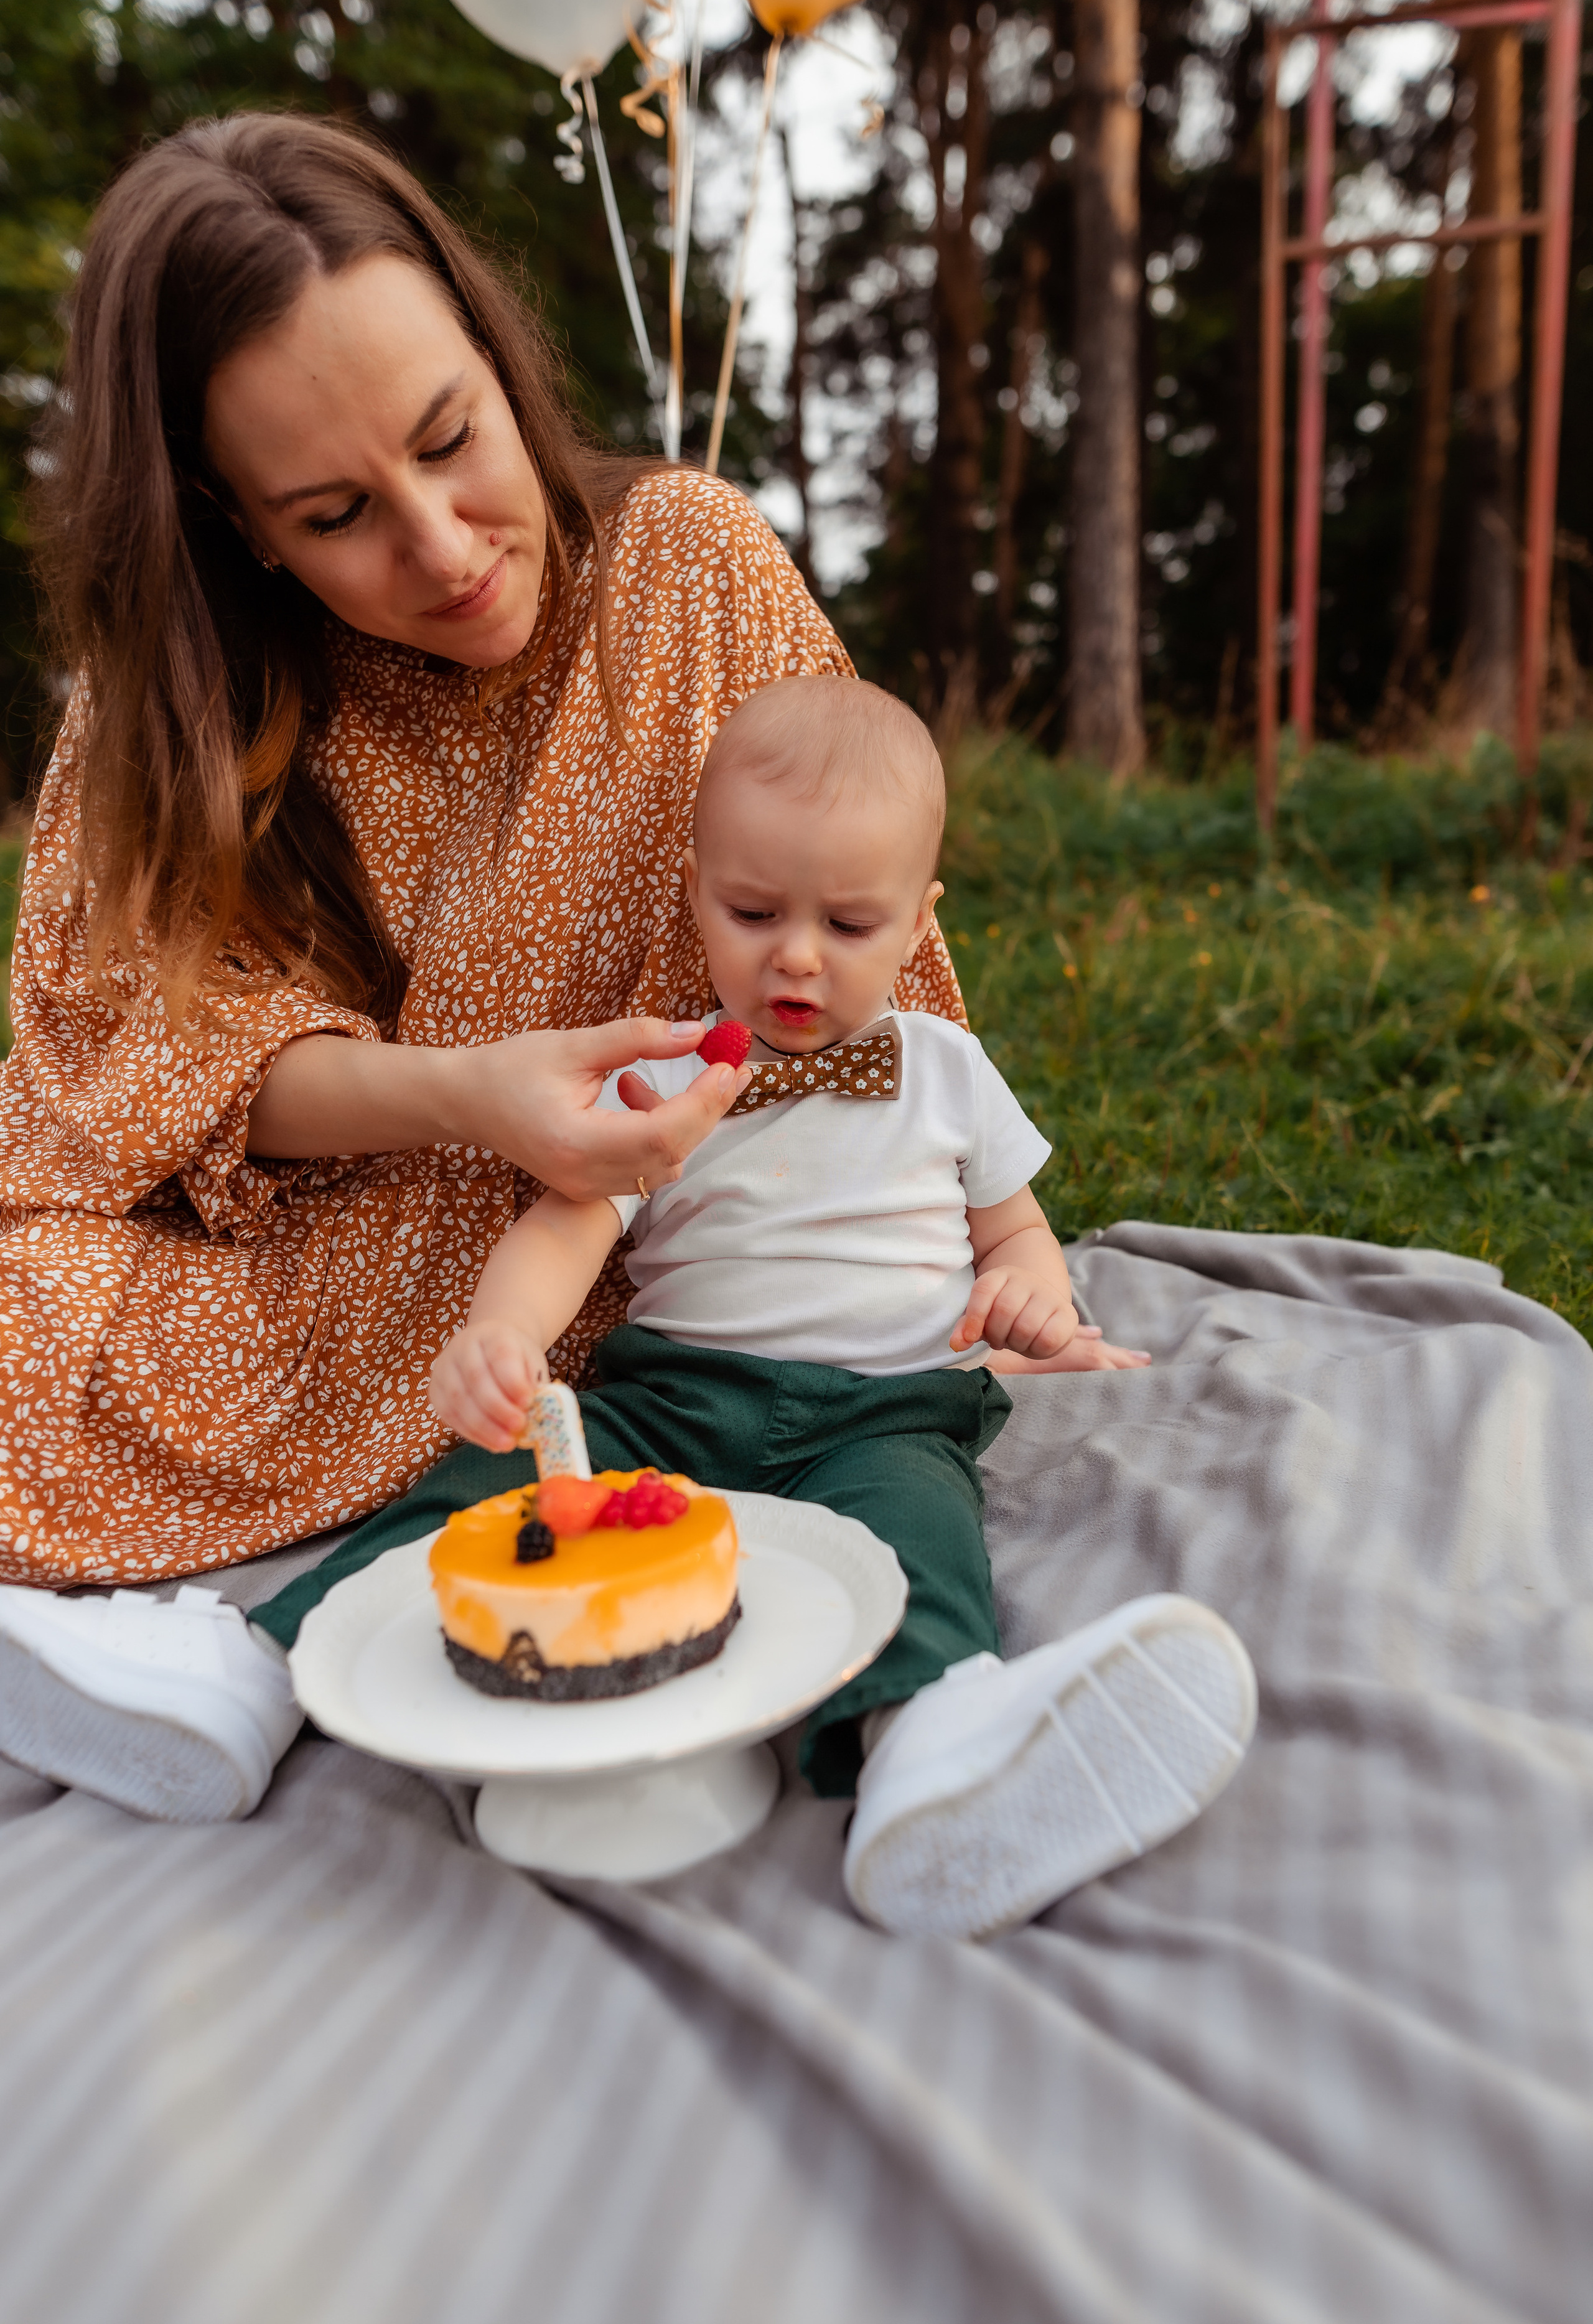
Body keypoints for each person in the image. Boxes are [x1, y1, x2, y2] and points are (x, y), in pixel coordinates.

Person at [0, 114, 1133, 1831]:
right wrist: (466, 1097)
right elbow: (119, 1072)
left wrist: (999, 1262)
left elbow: (871, 1002)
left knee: (746, 1471)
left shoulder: (691, 568)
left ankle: (931, 1733)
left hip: (645, 1261)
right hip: (324, 1258)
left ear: (494, 352)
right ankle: (220, 1672)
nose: (445, 547)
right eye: (336, 515)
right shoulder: (170, 698)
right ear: (238, 525)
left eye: (452, 439)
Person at [258, 679, 1256, 1940]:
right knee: (487, 1493)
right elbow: (565, 1225)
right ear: (696, 895)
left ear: (919, 922)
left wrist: (1028, 1292)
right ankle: (252, 1672)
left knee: (919, 1541)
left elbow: (1013, 1229)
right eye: (753, 912)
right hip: (676, 1401)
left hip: (887, 1411)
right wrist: (500, 1334)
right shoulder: (667, 1081)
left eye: (849, 922)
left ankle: (932, 1755)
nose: (795, 955)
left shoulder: (947, 1071)